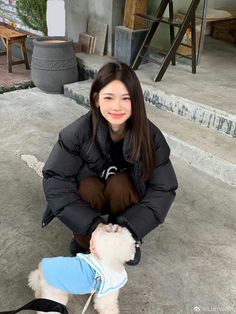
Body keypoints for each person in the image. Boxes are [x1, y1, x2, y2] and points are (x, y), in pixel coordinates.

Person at [42, 62, 178, 266]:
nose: (117, 107)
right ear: (96, 100)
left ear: (136, 102)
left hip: (124, 196)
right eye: (108, 97)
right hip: (92, 193)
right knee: (87, 187)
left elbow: (164, 188)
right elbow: (56, 179)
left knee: (121, 185)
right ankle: (85, 241)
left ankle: (125, 243)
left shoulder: (151, 137)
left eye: (126, 98)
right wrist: (94, 227)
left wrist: (130, 230)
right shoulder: (77, 133)